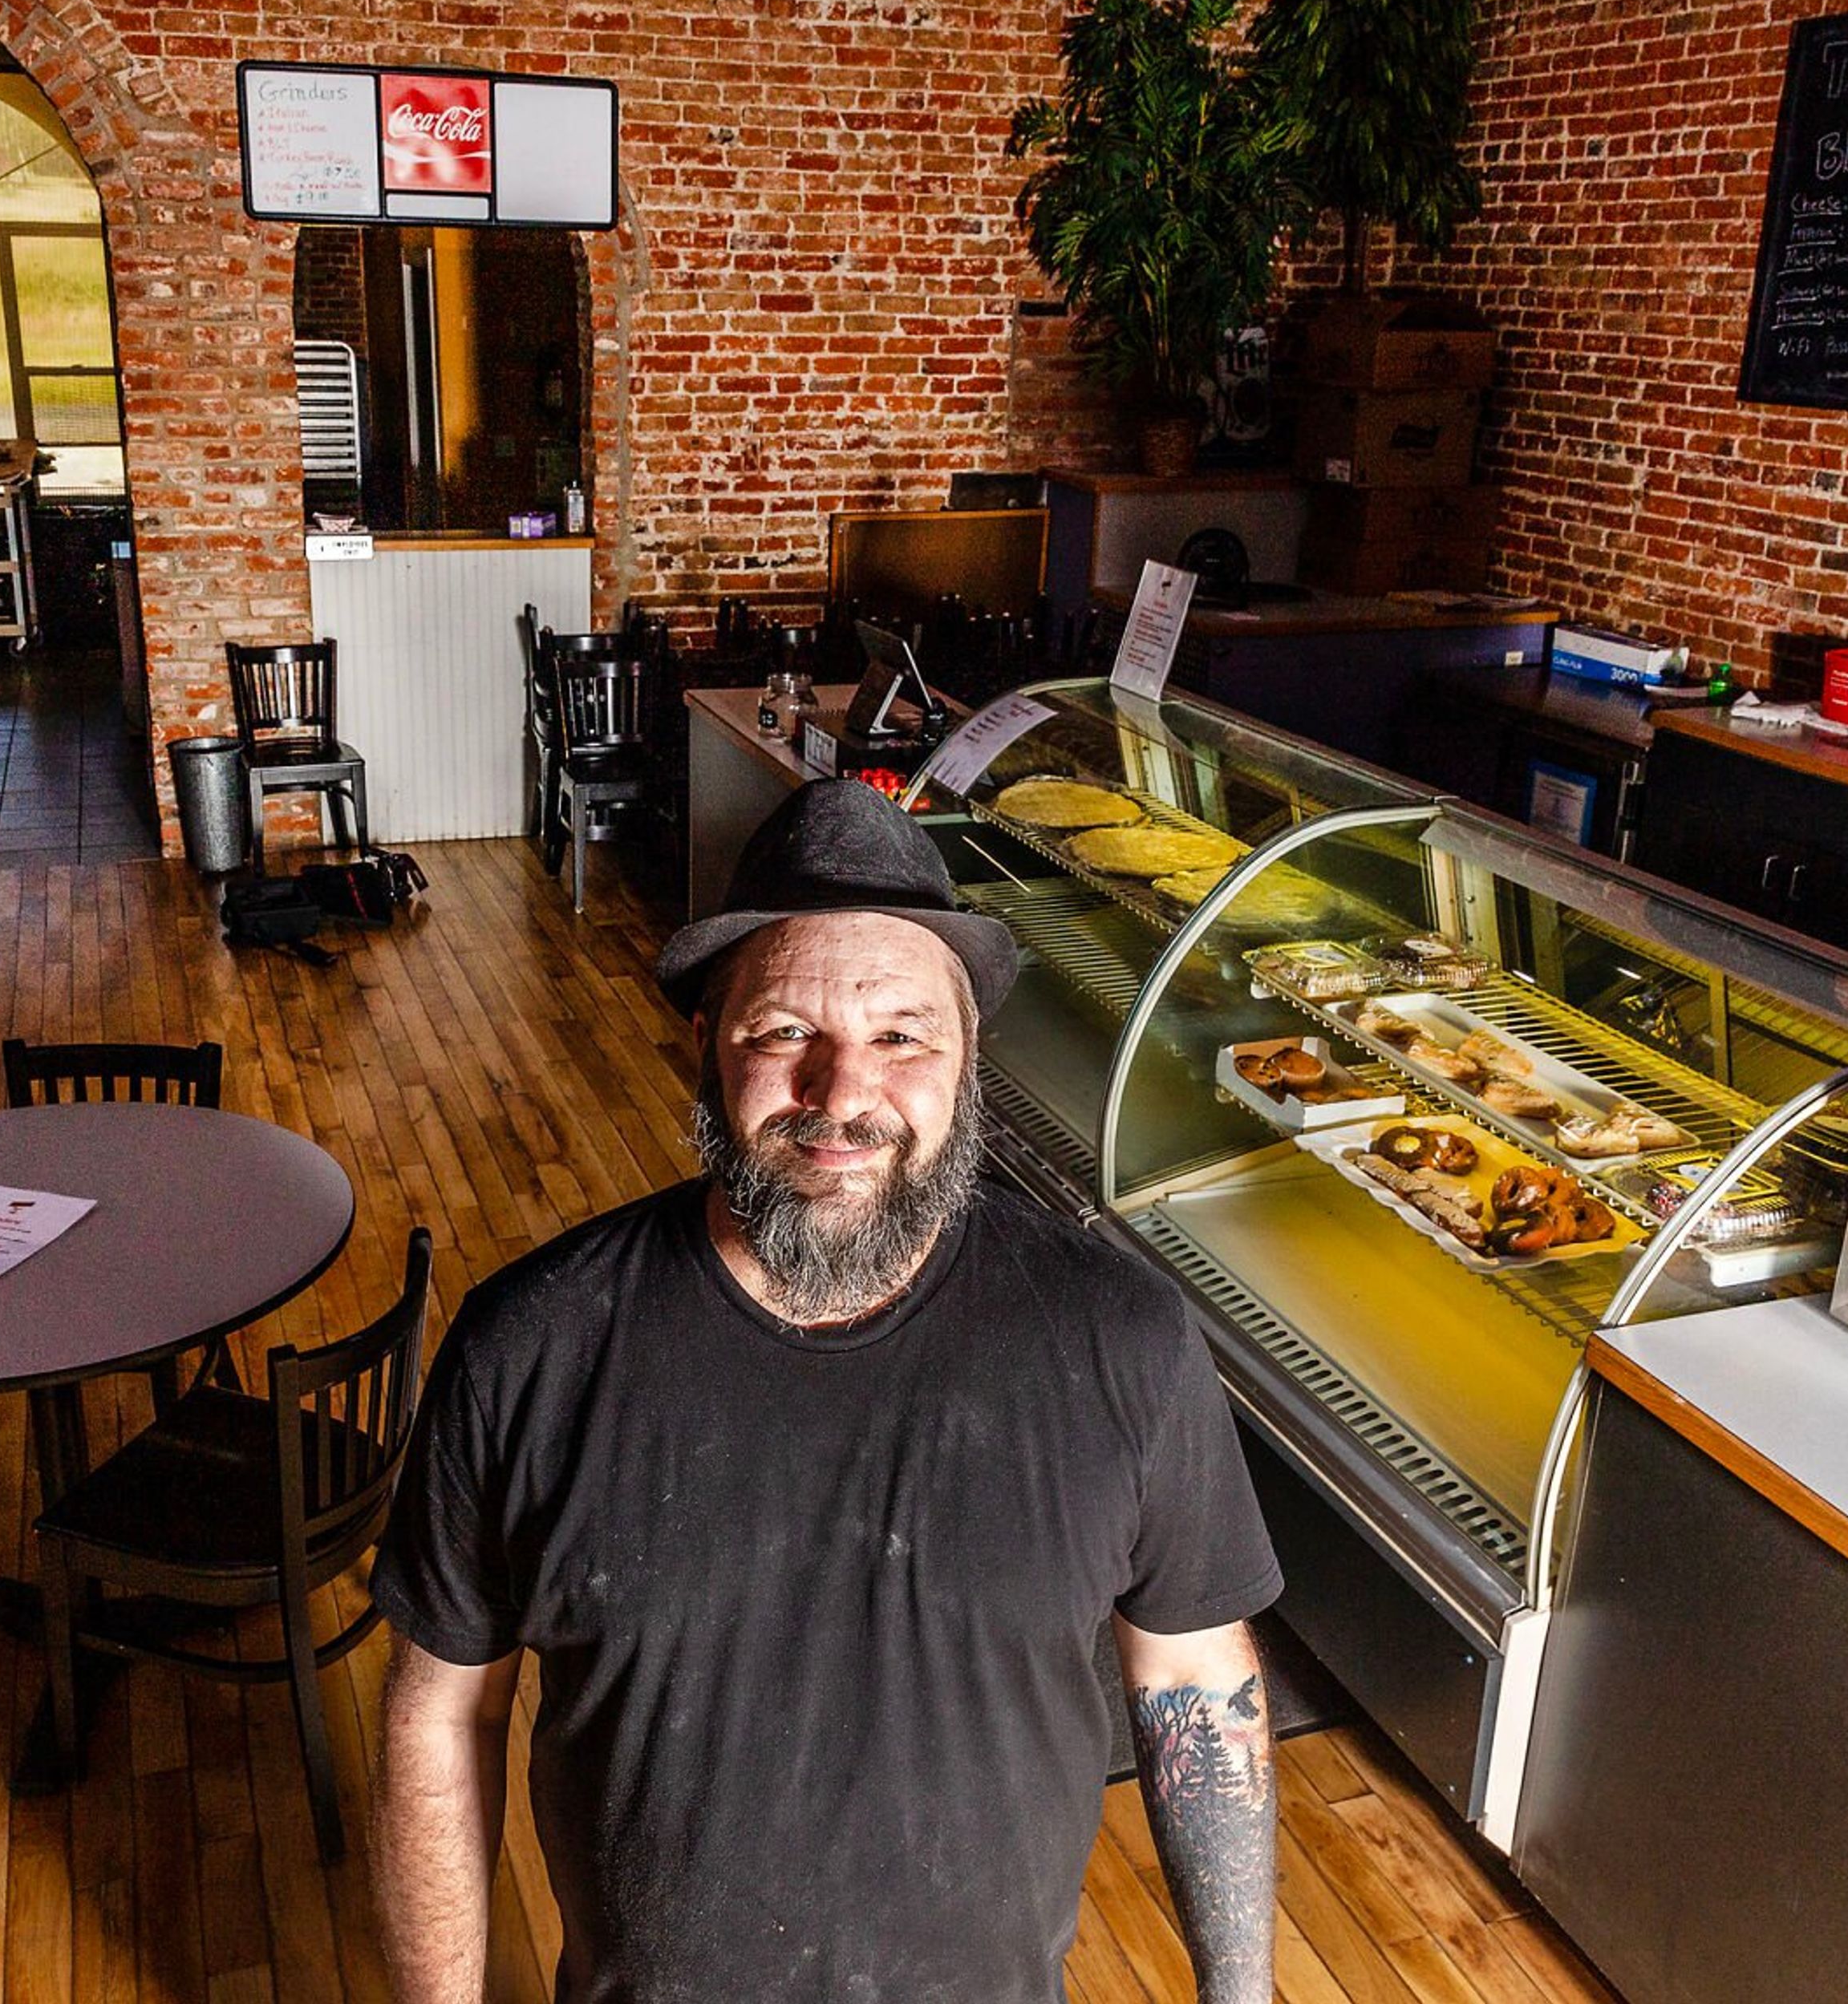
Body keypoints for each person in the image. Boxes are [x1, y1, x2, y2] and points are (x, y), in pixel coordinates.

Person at [371, 778, 1283, 2002]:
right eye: (782, 1031)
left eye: (902, 1033)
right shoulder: (529, 1348)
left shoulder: (1123, 1341)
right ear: (706, 1044)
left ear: (969, 1062)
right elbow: (441, 1714)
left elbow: (1190, 1678)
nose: (842, 1092)